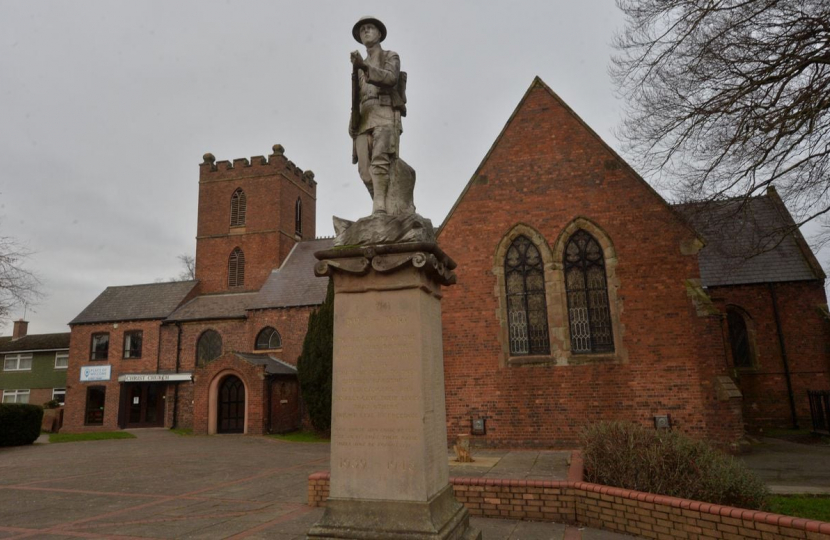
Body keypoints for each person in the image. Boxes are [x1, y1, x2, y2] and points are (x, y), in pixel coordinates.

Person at [349, 16, 406, 215]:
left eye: (370, 28)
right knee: (365, 171)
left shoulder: (391, 56)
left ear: (379, 33)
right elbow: (356, 99)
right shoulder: (359, 65)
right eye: (362, 29)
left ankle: (381, 208)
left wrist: (364, 68)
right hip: (364, 116)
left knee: (381, 161)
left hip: (384, 112)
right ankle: (383, 204)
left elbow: (390, 78)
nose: (366, 31)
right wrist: (352, 122)